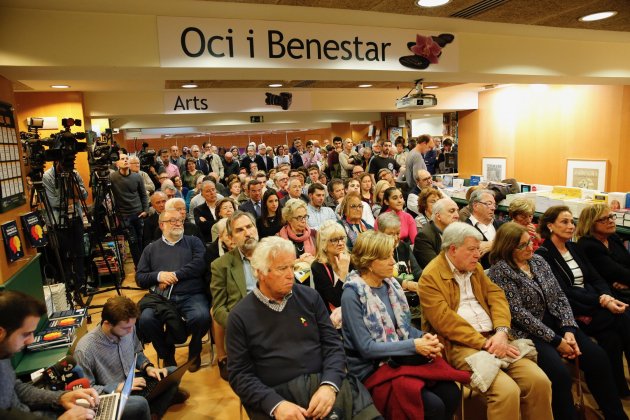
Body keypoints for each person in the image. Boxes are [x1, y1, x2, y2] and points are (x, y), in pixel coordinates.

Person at [226, 236, 381, 420]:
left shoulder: (310, 297)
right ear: (260, 272)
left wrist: (329, 385)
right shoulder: (240, 316)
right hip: (277, 396)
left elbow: (333, 346)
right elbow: (240, 375)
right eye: (282, 268)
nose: (291, 274)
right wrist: (275, 405)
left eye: (293, 267)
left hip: (323, 382)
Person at [487, 222, 628, 419]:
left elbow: (560, 297)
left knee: (598, 358)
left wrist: (569, 330)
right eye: (523, 245)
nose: (530, 248)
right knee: (559, 375)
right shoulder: (499, 271)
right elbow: (518, 314)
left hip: (559, 324)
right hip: (530, 333)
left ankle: (616, 416)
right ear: (508, 247)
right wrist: (557, 341)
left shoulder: (538, 261)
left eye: (530, 242)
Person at [419, 222, 553, 420]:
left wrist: (501, 332)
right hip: (460, 345)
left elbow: (497, 297)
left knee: (539, 381)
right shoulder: (430, 277)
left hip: (495, 339)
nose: (477, 254)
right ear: (453, 249)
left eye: (478, 249)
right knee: (506, 391)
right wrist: (485, 343)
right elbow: (445, 322)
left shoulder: (476, 268)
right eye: (472, 249)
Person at [341, 231, 465, 420]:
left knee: (452, 393)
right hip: (372, 369)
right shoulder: (352, 294)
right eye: (386, 257)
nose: (393, 261)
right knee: (432, 406)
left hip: (399, 360)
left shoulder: (391, 286)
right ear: (369, 262)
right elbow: (366, 349)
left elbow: (404, 330)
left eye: (392, 254)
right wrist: (413, 346)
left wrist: (425, 338)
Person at [536, 205, 630, 397]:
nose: (571, 226)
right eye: (564, 222)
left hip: (595, 303)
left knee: (612, 338)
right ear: (550, 226)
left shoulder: (574, 247)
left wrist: (606, 296)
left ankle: (619, 389)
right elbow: (564, 292)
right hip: (574, 310)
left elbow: (596, 278)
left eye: (572, 221)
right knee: (624, 319)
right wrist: (602, 301)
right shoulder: (543, 255)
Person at [75, 296, 188, 420]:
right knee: (140, 404)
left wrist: (148, 367)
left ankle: (153, 409)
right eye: (125, 328)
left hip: (132, 382)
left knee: (171, 372)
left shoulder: (129, 326)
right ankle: (159, 404)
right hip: (112, 395)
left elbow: (137, 351)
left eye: (132, 326)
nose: (130, 331)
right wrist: (118, 387)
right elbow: (87, 390)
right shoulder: (85, 350)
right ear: (107, 324)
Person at [0, 290, 99, 420]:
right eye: (25, 334)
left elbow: (16, 388)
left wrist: (60, 397)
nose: (30, 341)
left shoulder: (3, 354)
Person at [136, 210, 210, 372]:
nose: (178, 223)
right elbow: (140, 278)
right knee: (146, 320)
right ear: (162, 225)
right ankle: (166, 354)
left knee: (202, 316)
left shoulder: (193, 242)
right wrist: (159, 275)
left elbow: (199, 265)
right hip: (160, 299)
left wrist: (174, 275)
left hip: (191, 295)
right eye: (173, 221)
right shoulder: (151, 249)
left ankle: (195, 349)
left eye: (180, 220)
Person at [211, 211, 260, 380]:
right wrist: (239, 324)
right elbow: (218, 309)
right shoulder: (221, 265)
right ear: (231, 238)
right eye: (240, 230)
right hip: (244, 327)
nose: (247, 233)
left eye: (249, 227)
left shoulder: (273, 253)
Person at [42, 161, 92, 293]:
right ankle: (67, 286)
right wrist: (74, 199)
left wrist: (73, 184)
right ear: (57, 161)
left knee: (80, 252)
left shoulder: (74, 173)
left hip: (76, 218)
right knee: (64, 255)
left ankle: (81, 284)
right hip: (58, 221)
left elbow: (84, 195)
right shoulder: (48, 176)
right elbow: (54, 202)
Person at [576, 203, 630, 294]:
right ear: (590, 223)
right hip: (607, 292)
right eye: (604, 219)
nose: (611, 221)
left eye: (611, 216)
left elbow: (628, 262)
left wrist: (627, 283)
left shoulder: (612, 237)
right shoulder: (589, 246)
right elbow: (616, 273)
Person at [109, 153, 149, 267]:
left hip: (138, 213)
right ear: (117, 163)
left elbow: (143, 195)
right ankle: (139, 267)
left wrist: (145, 210)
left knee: (141, 240)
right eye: (122, 159)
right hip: (124, 215)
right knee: (133, 242)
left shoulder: (137, 177)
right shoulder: (112, 177)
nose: (125, 161)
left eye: (127, 159)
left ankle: (144, 265)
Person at [311, 220, 350, 315]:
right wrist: (343, 274)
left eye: (342, 238)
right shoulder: (318, 267)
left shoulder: (350, 259)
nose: (340, 243)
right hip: (332, 317)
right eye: (334, 240)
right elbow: (336, 301)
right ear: (323, 244)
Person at [413, 198, 460, 268]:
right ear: (438, 216)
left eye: (457, 211)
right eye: (452, 211)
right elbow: (436, 268)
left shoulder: (457, 231)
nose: (457, 215)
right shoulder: (424, 236)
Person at [464, 188, 501, 269]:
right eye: (489, 204)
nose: (493, 208)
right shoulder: (465, 229)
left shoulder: (500, 225)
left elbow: (512, 242)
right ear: (475, 206)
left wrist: (492, 244)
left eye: (494, 204)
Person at [278, 198, 316, 265]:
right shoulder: (279, 239)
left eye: (305, 216)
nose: (304, 220)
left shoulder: (313, 234)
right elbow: (280, 264)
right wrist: (300, 261)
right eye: (299, 217)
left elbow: (321, 258)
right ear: (289, 219)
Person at [193, 180, 219, 244]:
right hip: (209, 242)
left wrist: (207, 222)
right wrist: (220, 221)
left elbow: (228, 222)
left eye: (213, 189)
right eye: (208, 191)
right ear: (202, 194)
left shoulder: (223, 206)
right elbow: (203, 228)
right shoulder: (198, 210)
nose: (212, 193)